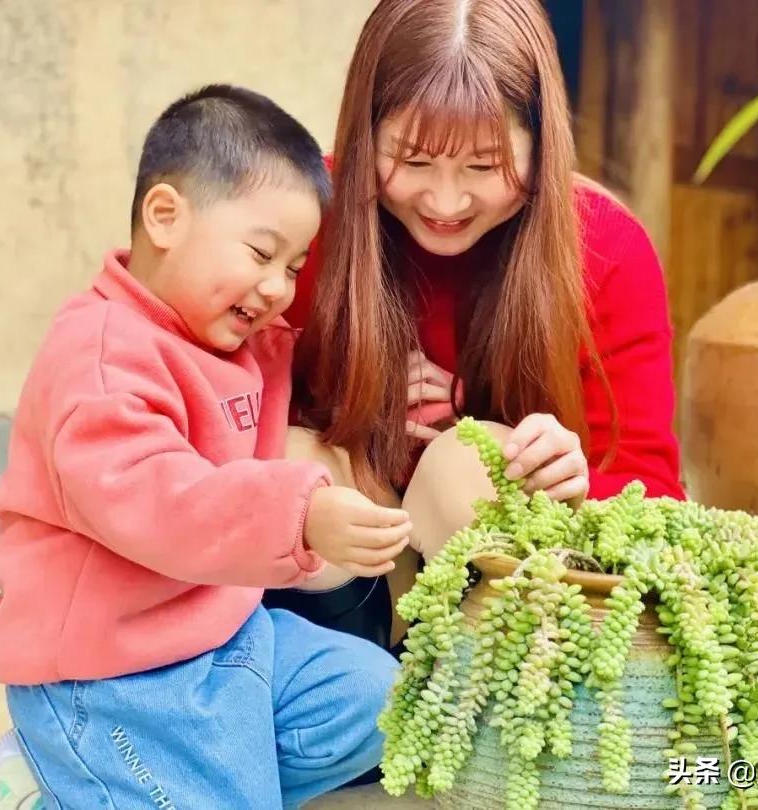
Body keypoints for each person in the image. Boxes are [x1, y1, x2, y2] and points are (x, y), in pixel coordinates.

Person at [0, 84, 412, 810]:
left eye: (295, 267)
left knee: (385, 703)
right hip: (109, 677)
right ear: (165, 215)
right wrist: (300, 514)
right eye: (263, 253)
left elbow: (313, 364)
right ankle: (50, 780)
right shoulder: (101, 356)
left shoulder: (230, 339)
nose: (278, 289)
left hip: (229, 641)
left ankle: (112, 787)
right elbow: (164, 500)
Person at [263, 0, 685, 653]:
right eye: (413, 159)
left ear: (540, 141)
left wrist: (574, 480)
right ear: (364, 130)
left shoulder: (607, 248)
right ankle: (343, 725)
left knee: (471, 459)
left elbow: (653, 497)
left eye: (483, 168)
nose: (445, 201)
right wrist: (348, 415)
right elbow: (205, 412)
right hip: (331, 583)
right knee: (292, 460)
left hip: (501, 619)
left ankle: (456, 725)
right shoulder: (303, 215)